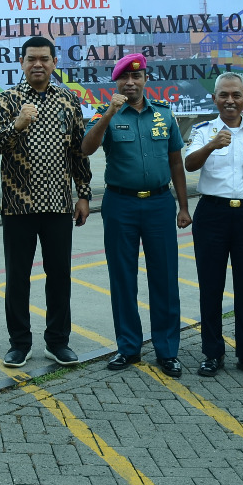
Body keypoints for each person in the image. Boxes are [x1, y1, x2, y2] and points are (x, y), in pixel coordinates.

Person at [82, 53, 190, 377]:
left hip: (159, 203)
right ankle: (128, 347)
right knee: (123, 279)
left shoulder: (164, 116)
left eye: (137, 76)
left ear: (145, 78)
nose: (130, 83)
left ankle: (167, 350)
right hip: (120, 205)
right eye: (124, 79)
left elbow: (175, 163)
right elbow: (86, 148)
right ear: (115, 83)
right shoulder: (108, 114)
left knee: (165, 278)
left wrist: (183, 206)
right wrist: (108, 114)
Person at [0, 36, 91, 369]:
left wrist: (84, 193)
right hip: (18, 207)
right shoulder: (7, 100)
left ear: (54, 62)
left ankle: (57, 342)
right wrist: (17, 124)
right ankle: (19, 343)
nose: (38, 64)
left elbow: (79, 150)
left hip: (59, 204)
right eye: (31, 59)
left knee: (59, 274)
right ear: (21, 62)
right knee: (17, 277)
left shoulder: (68, 100)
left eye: (44, 59)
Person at [183, 72, 243, 381]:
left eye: (236, 95)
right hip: (212, 213)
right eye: (223, 95)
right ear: (214, 99)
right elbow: (190, 165)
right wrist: (212, 145)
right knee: (211, 286)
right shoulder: (203, 131)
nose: (229, 100)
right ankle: (213, 353)